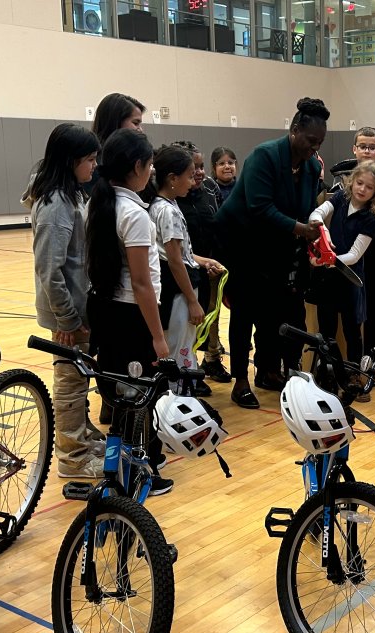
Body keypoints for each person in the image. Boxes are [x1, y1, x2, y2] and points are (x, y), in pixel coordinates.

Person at [216, 97, 328, 409]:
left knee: (280, 311)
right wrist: (300, 229)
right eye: (310, 140)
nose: (314, 148)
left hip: (277, 245)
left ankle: (269, 371)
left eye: (319, 142)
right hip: (242, 243)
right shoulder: (263, 156)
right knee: (244, 312)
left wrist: (313, 228)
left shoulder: (308, 167)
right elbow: (260, 208)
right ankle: (240, 380)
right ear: (294, 131)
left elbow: (306, 208)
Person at [85, 129, 173, 495]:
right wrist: (157, 336)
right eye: (150, 165)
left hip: (106, 310)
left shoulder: (102, 202)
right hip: (130, 315)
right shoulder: (134, 214)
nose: (151, 173)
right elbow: (141, 284)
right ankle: (138, 474)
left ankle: (132, 465)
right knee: (140, 396)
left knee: (122, 394)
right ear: (137, 166)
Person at [26, 123, 104, 479]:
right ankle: (72, 458)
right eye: (89, 159)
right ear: (71, 160)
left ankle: (81, 436)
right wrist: (68, 320)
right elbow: (49, 269)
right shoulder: (56, 202)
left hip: (77, 308)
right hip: (68, 313)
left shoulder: (71, 194)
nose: (94, 166)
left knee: (79, 377)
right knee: (70, 383)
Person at [307, 161, 375, 402]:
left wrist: (328, 260)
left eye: (369, 187)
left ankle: (353, 377)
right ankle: (327, 373)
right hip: (328, 282)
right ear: (352, 181)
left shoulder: (369, 219)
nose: (362, 189)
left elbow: (353, 255)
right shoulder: (339, 200)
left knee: (352, 331)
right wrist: (322, 230)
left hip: (350, 282)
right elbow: (317, 214)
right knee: (327, 330)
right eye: (360, 183)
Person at [146, 145, 223, 397]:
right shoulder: (167, 210)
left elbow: (179, 254)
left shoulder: (162, 204)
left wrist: (202, 261)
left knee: (180, 348)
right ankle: (178, 403)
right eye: (189, 176)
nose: (193, 181)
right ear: (172, 178)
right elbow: (176, 261)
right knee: (180, 351)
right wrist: (192, 301)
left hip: (176, 287)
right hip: (177, 293)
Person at [174, 141, 231, 384]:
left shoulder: (209, 188)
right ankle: (188, 368)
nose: (199, 173)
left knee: (211, 316)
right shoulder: (172, 199)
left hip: (211, 265)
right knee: (187, 320)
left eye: (200, 166)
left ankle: (212, 359)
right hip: (185, 269)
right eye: (193, 168)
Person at [330, 127, 375, 192]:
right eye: (362, 147)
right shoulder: (342, 175)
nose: (367, 151)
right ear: (354, 149)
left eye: (372, 148)